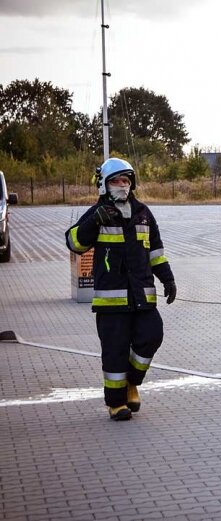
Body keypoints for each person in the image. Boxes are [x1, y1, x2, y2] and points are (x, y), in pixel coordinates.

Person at [65, 158, 176, 420]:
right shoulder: (98, 213)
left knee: (152, 335)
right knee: (114, 352)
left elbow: (156, 252)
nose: (122, 185)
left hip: (142, 298)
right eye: (116, 180)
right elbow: (74, 242)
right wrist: (94, 221)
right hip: (111, 302)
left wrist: (168, 279)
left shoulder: (144, 214)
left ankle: (132, 383)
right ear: (104, 184)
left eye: (126, 180)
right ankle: (116, 404)